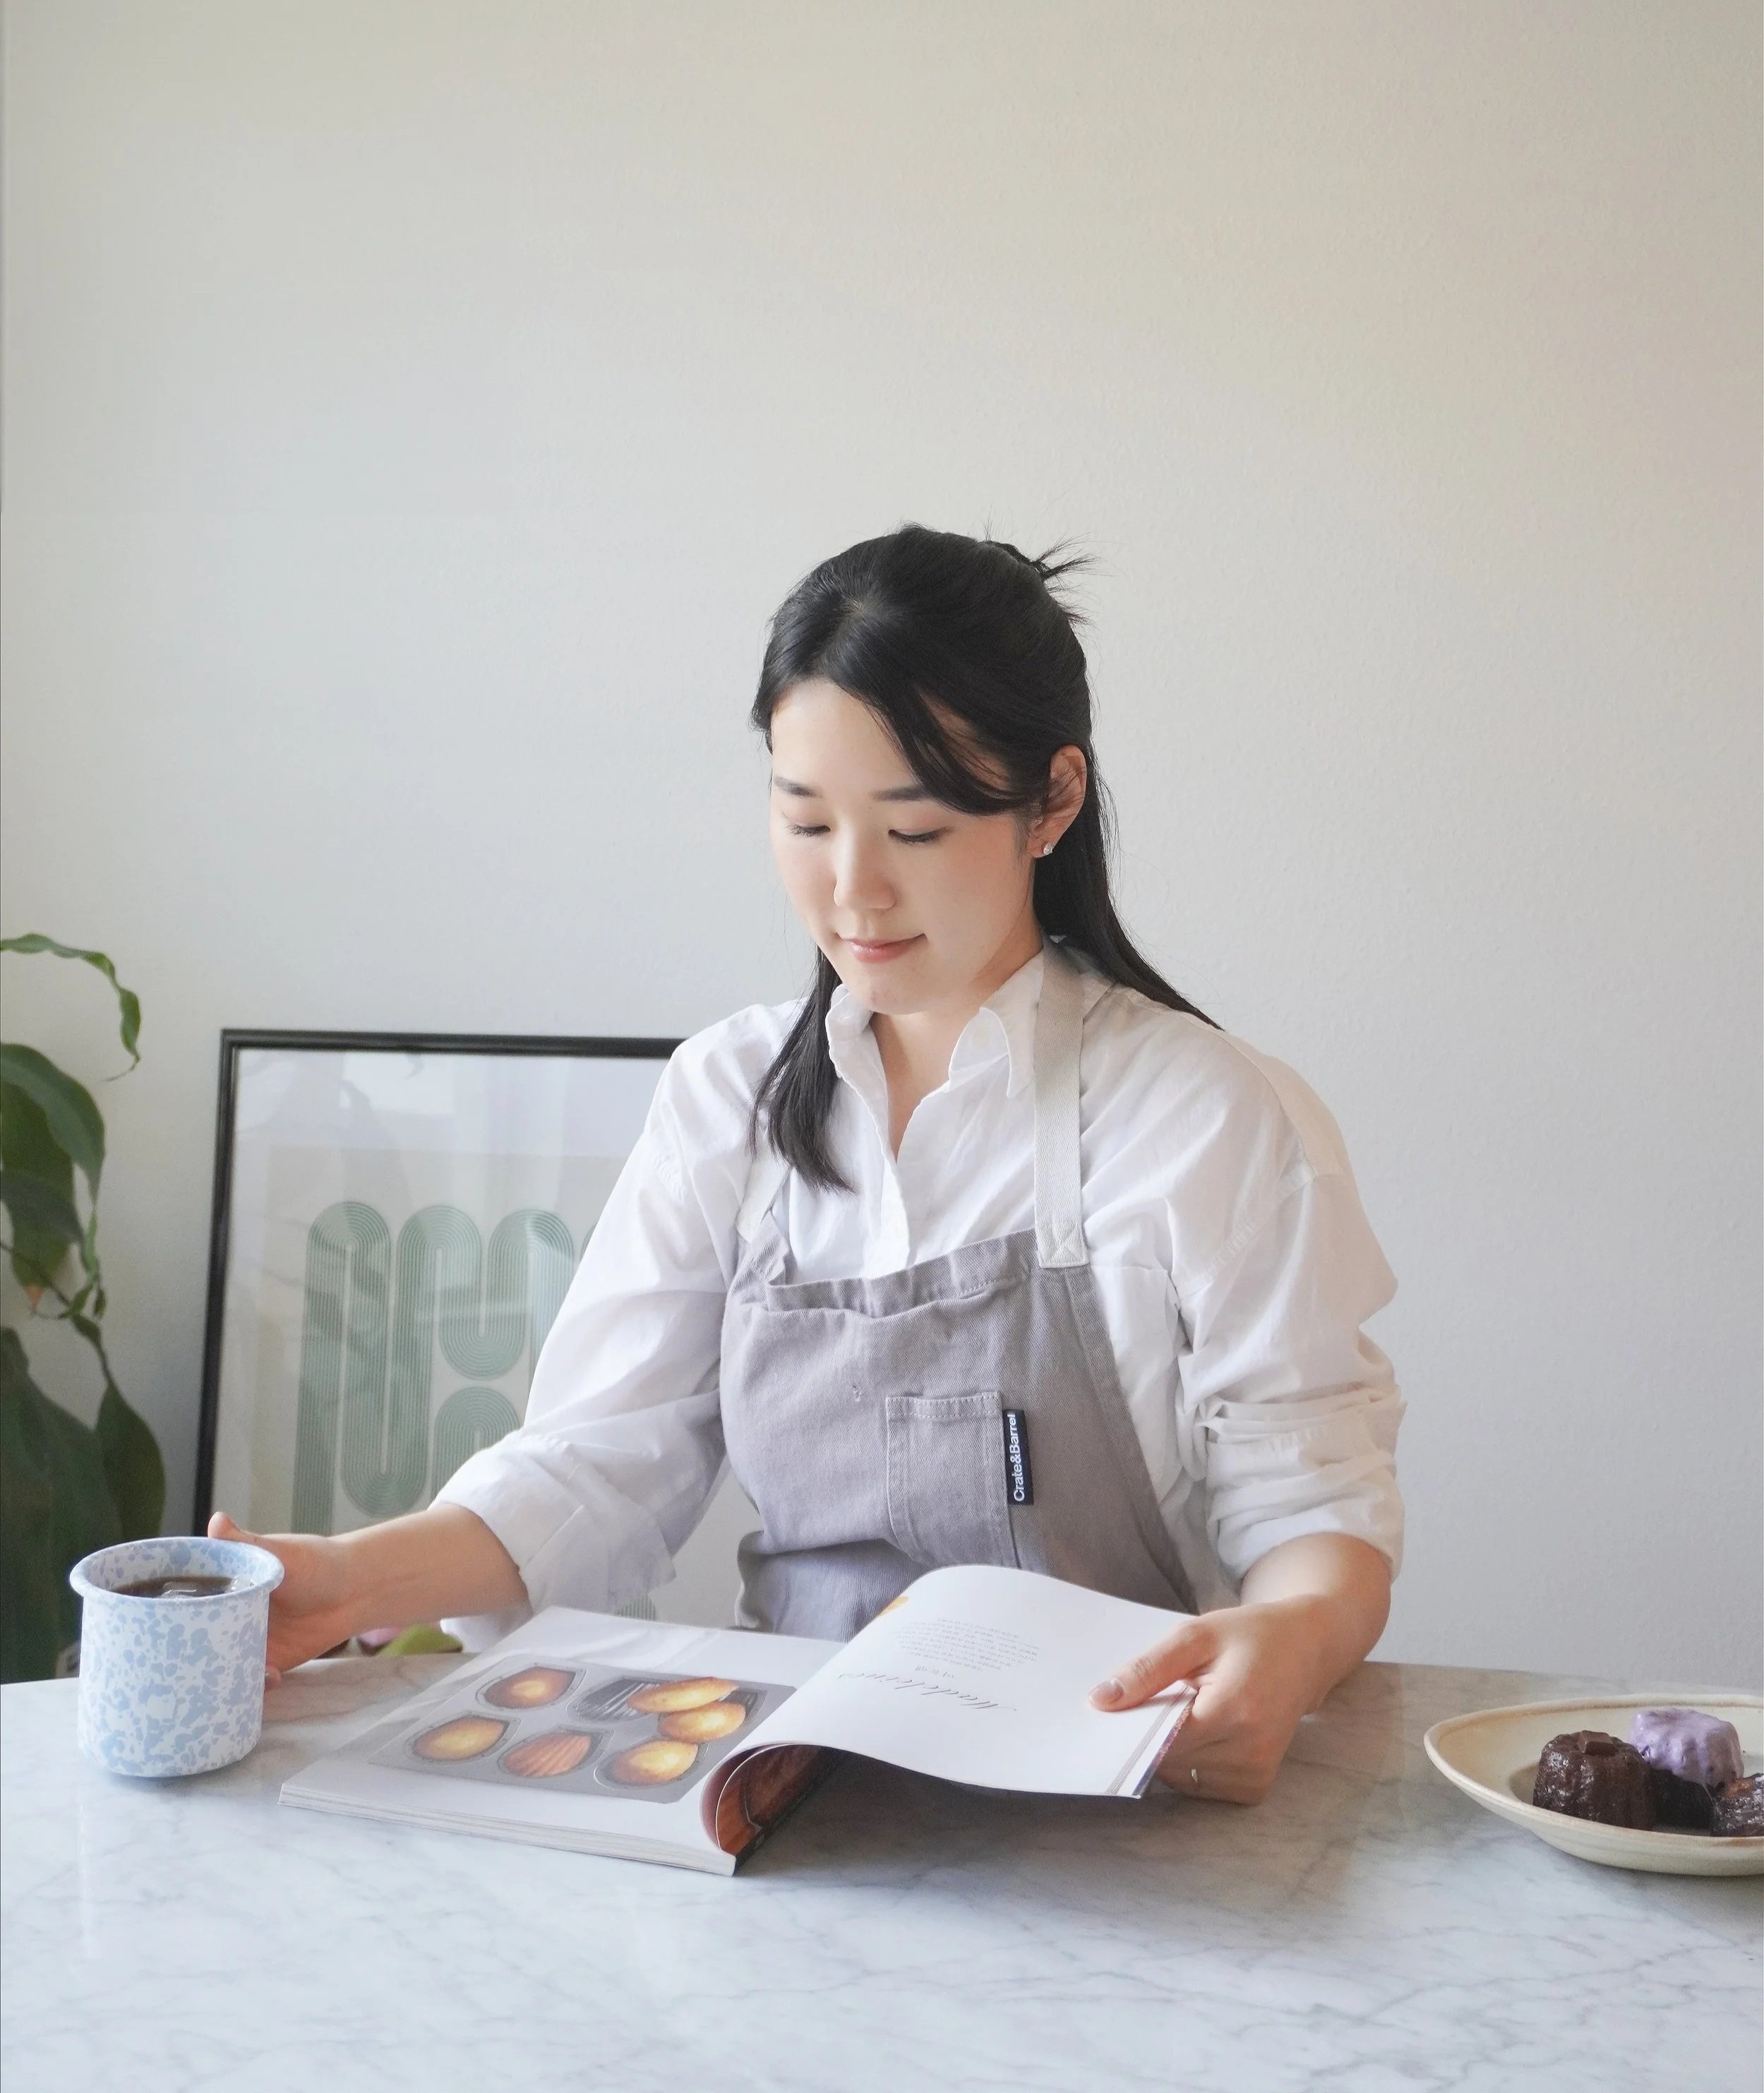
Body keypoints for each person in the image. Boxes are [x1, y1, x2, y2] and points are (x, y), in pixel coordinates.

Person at [212, 524, 1403, 1805]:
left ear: (1053, 800)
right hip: (790, 1796)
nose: (854, 893)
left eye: (919, 827)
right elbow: (598, 1465)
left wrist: (1286, 1641)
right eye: (804, 818)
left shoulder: (1208, 1116)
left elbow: (1313, 1514)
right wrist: (349, 1579)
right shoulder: (729, 1099)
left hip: (1109, 1800)